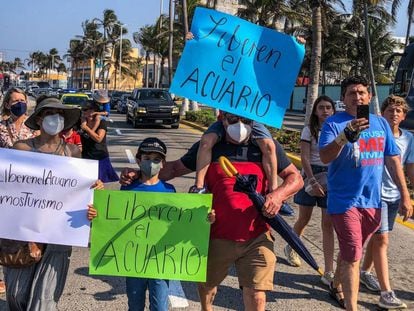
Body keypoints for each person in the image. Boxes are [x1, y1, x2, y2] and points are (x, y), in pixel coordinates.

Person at [121, 112, 304, 311]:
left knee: (257, 294)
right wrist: (139, 175)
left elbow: (296, 179)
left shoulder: (267, 145)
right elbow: (173, 170)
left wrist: (277, 195)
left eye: (245, 120)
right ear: (222, 120)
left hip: (257, 235)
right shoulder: (208, 147)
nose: (239, 125)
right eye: (232, 120)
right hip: (216, 235)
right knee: (207, 287)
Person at [319, 76, 413, 310]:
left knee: (353, 249)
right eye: (352, 93)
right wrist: (344, 138)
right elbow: (325, 157)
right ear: (343, 98)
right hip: (344, 200)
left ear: (370, 97)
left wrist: (405, 194)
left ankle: (335, 284)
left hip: (372, 201)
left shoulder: (380, 124)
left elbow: (392, 159)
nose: (357, 97)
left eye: (362, 92)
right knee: (353, 255)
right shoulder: (333, 124)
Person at [3, 96, 104, 310]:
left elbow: (77, 191)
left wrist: (93, 191)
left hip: (58, 234)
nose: (54, 119)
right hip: (23, 233)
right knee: (16, 295)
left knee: (45, 300)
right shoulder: (21, 148)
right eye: (49, 114)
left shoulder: (73, 152)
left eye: (59, 115)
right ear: (39, 119)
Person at [359, 95, 412, 309]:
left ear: (404, 116)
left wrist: (407, 195)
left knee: (377, 236)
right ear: (382, 113)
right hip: (374, 195)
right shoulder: (373, 132)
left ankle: (362, 272)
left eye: (399, 111)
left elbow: (410, 169)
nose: (394, 114)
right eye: (390, 110)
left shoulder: (408, 138)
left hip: (394, 196)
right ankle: (386, 292)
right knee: (382, 240)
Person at [284, 95, 336, 287]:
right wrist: (312, 180)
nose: (325, 111)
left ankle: (329, 270)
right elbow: (304, 157)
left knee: (328, 223)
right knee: (304, 219)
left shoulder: (337, 130)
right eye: (321, 107)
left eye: (328, 107)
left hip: (331, 177)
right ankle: (292, 247)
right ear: (315, 110)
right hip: (310, 175)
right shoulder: (309, 130)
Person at [191, 114, 278, 194]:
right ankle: (199, 186)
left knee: (269, 146)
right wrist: (230, 118)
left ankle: (273, 188)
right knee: (206, 142)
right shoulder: (224, 120)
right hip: (228, 114)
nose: (240, 125)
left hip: (249, 113)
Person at [79, 102, 119, 183]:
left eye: (86, 110)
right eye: (83, 109)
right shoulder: (81, 122)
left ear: (93, 111)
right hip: (86, 157)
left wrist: (86, 128)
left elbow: (98, 138)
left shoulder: (101, 122)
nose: (83, 112)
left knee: (99, 183)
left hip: (99, 157)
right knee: (86, 183)